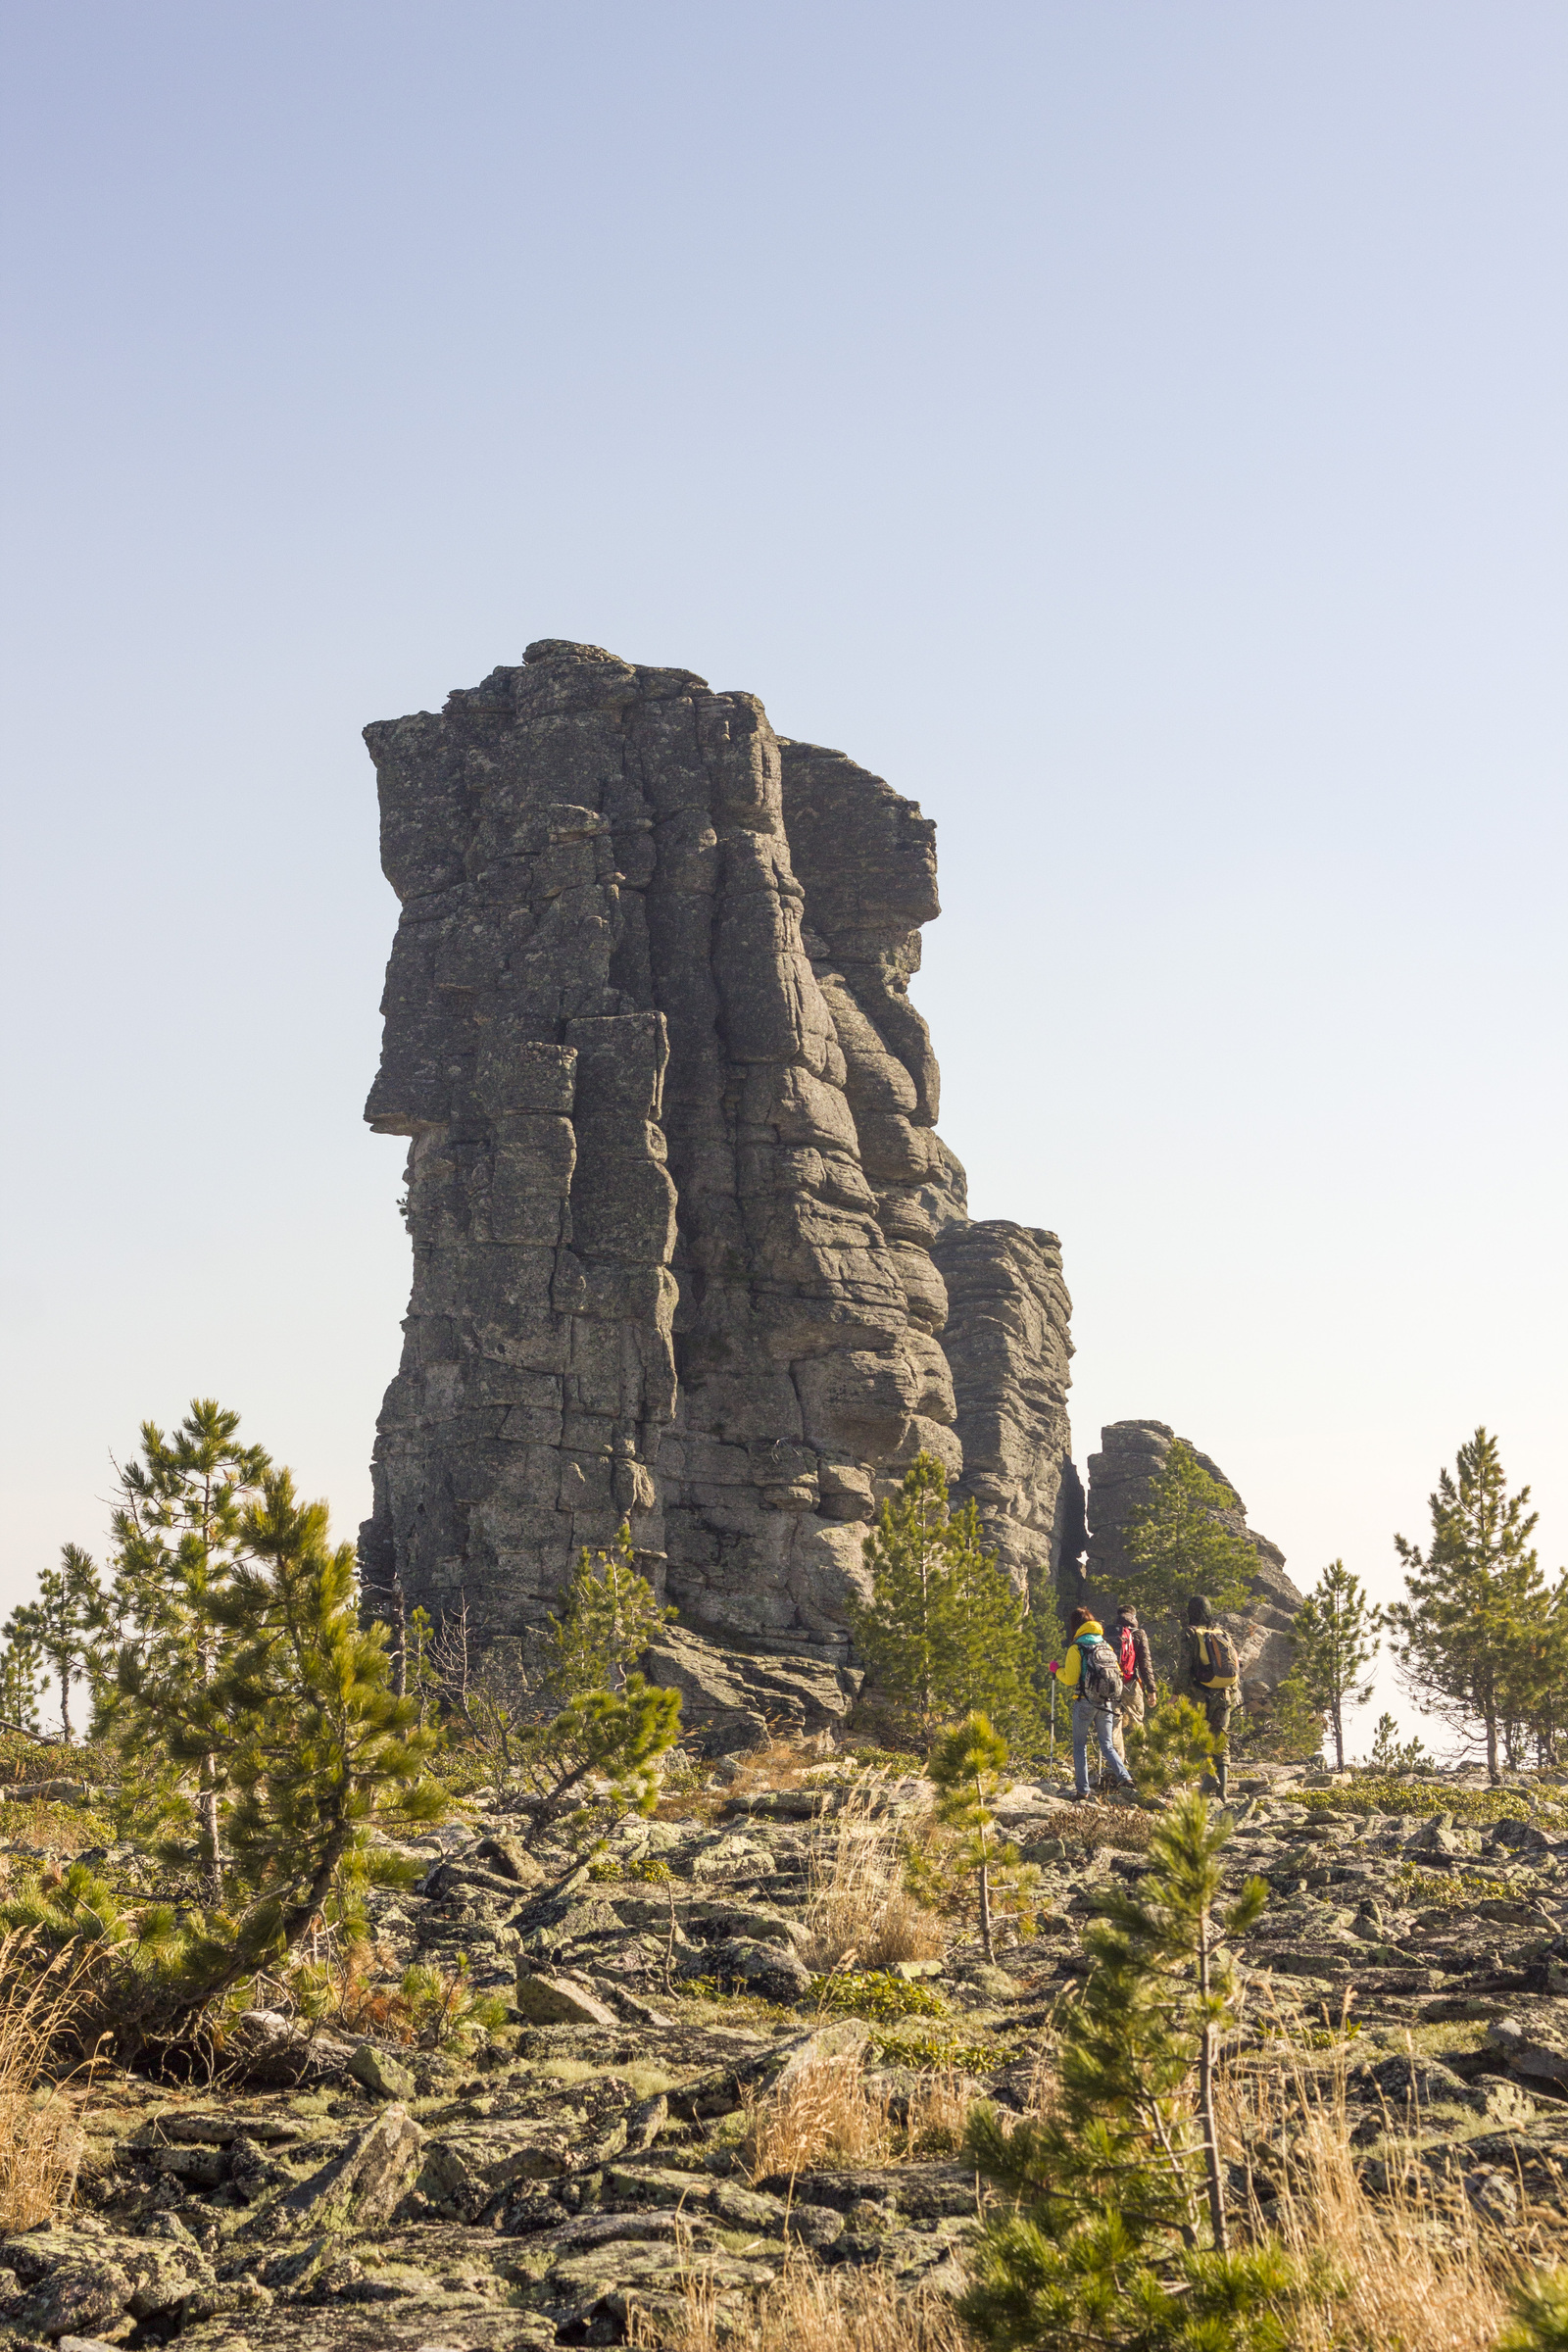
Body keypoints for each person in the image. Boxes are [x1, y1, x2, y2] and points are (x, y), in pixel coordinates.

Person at [1059, 1603, 1137, 1802]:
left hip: (1085, 1702)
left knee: (1079, 1746)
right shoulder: (1105, 1645)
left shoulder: (1077, 1647)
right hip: (1107, 1702)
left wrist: (1056, 1670)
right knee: (1107, 1744)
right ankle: (1125, 1777)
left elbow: (1069, 1678)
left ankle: (1083, 1790)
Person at [1183, 1593, 1234, 1799]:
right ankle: (1223, 1792)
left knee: (1198, 1737)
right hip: (1224, 1693)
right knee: (1221, 1739)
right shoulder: (1223, 1633)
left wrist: (1177, 1693)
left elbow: (1184, 1667)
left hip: (1200, 1693)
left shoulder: (1189, 1633)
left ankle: (1210, 1777)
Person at [1109, 1602, 1157, 1764]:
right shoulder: (1138, 1633)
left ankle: (1117, 1766)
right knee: (1136, 1722)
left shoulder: (1108, 1633)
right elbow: (1145, 1664)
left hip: (1111, 1684)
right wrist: (1151, 1689)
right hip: (1131, 1682)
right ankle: (1142, 1763)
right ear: (1133, 1617)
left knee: (1114, 1725)